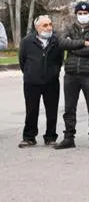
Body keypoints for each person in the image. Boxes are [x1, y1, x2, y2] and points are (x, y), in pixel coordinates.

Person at [56, 1, 89, 150]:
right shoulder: (70, 28)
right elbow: (62, 42)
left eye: (85, 13)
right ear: (76, 14)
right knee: (69, 108)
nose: (82, 16)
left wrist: (74, 48)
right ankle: (69, 137)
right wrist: (84, 43)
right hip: (71, 74)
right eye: (80, 13)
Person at [18, 15, 64, 147]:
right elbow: (22, 60)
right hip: (32, 82)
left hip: (51, 82)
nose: (49, 27)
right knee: (31, 110)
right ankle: (29, 137)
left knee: (52, 111)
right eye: (45, 25)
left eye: (50, 24)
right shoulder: (27, 41)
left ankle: (50, 137)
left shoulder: (56, 41)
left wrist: (54, 72)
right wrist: (30, 73)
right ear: (37, 27)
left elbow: (59, 60)